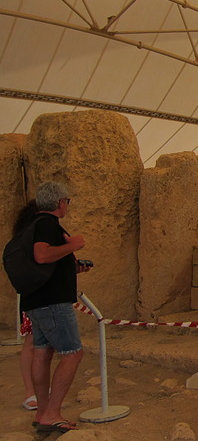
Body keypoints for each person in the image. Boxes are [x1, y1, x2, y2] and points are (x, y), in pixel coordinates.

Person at [20, 181, 91, 434]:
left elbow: (47, 262)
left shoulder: (31, 224)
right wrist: (74, 245)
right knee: (72, 353)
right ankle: (52, 413)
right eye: (68, 202)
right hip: (53, 303)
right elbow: (42, 256)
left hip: (36, 301)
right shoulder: (48, 224)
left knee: (42, 352)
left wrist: (72, 268)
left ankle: (42, 412)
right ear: (61, 202)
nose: (68, 206)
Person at [13, 199, 41, 412]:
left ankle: (38, 390)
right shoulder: (26, 240)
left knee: (42, 343)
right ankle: (30, 392)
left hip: (45, 294)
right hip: (34, 294)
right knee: (31, 342)